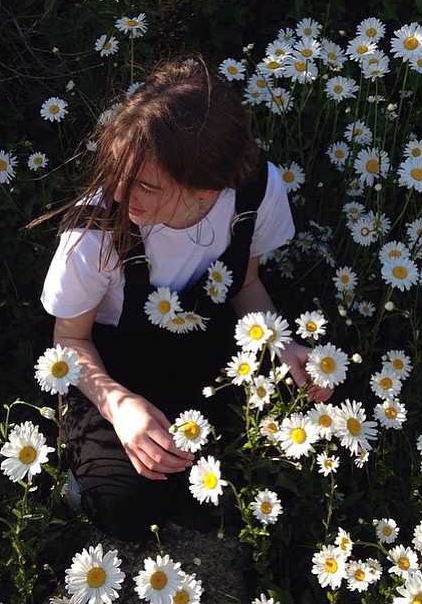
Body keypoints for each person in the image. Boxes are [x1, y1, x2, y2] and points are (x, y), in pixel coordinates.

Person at [40, 57, 333, 541]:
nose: (120, 192)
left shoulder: (255, 192)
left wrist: (280, 345)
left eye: (147, 186)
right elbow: (69, 337)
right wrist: (120, 407)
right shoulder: (94, 233)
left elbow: (244, 285)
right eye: (118, 172)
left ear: (208, 188)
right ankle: (84, 473)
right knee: (126, 504)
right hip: (116, 360)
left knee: (327, 391)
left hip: (210, 339)